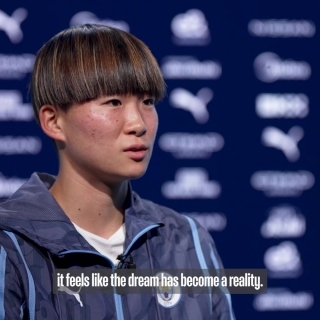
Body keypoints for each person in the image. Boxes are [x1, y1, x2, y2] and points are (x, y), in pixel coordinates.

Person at [0, 24, 235, 319]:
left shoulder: (187, 240)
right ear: (54, 121)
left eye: (148, 101)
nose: (139, 123)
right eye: (113, 102)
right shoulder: (9, 245)